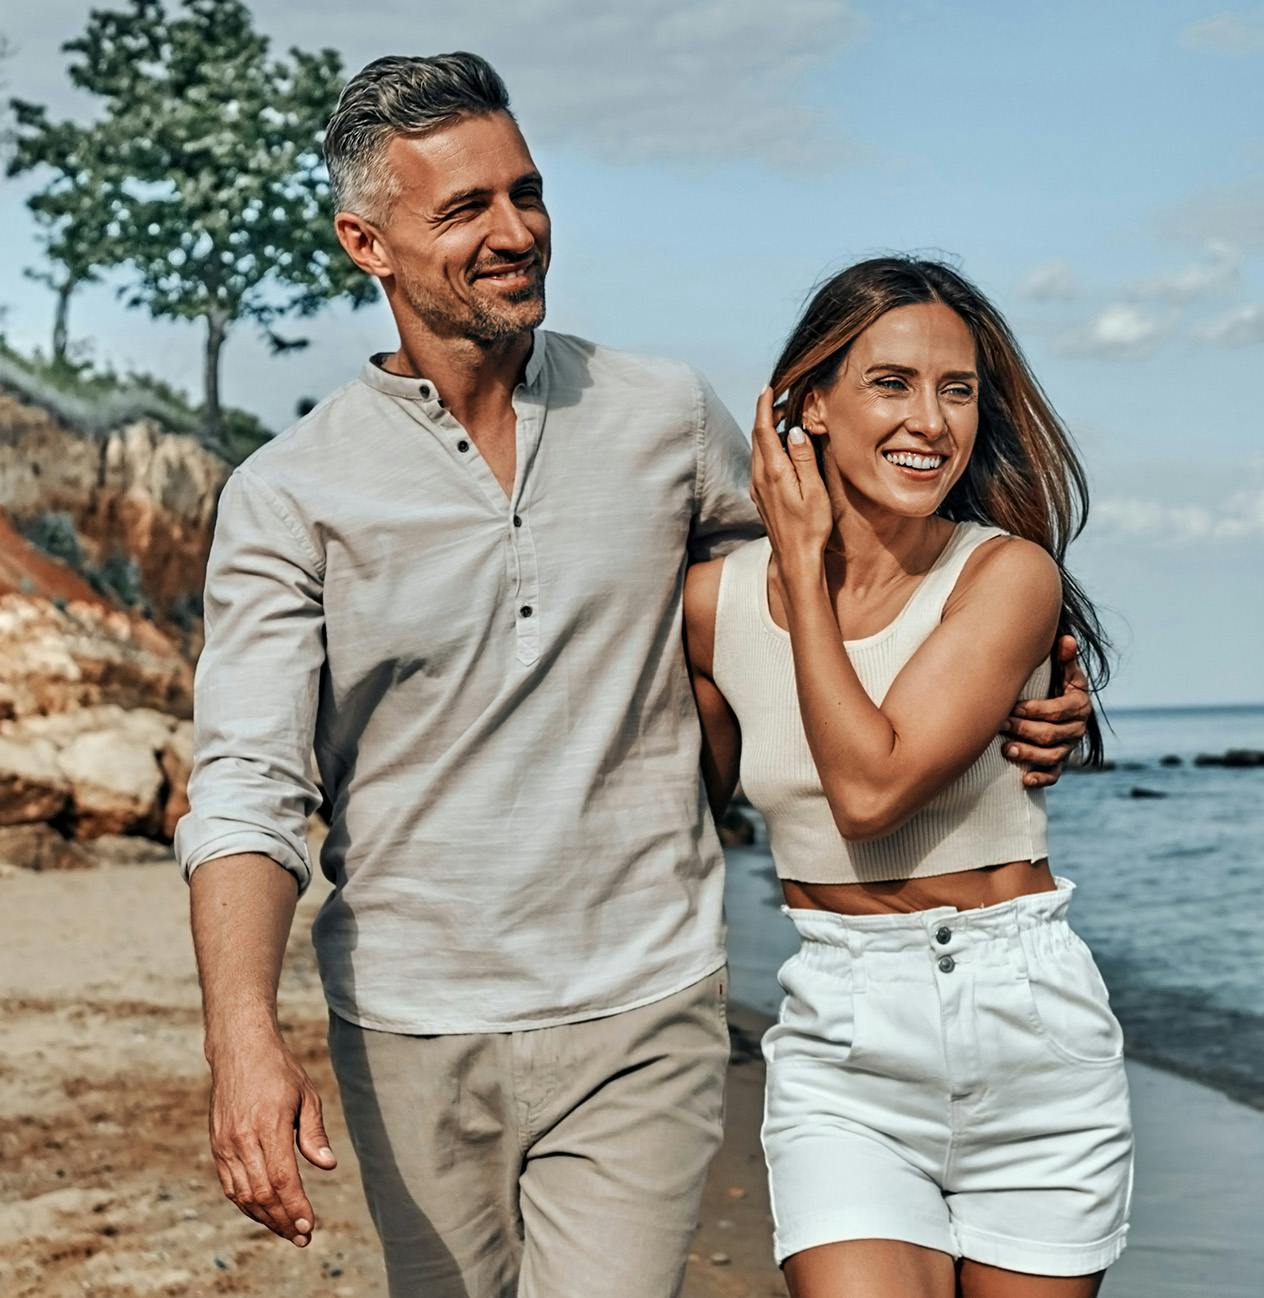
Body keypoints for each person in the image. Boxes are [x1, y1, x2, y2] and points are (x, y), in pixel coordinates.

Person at [174, 53, 1091, 1298]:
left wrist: (1029, 699)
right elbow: (247, 783)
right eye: (464, 210)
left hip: (646, 1002)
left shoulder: (660, 415)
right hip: (409, 1016)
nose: (515, 234)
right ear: (365, 241)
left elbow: (836, 585)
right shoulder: (290, 492)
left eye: (527, 193)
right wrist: (243, 1040)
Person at [683, 257, 1133, 1298]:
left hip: (1028, 1033)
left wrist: (796, 565)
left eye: (956, 388)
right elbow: (662, 803)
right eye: (890, 382)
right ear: (807, 404)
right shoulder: (708, 606)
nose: (928, 421)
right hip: (844, 1037)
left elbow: (871, 789)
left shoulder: (1007, 574)